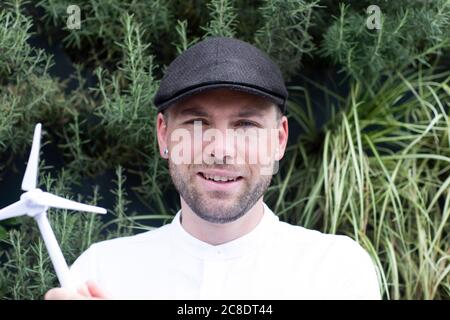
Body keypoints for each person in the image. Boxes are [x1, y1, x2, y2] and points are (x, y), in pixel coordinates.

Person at [45, 37, 381, 300]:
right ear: (164, 134)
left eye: (246, 125)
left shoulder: (335, 270)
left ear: (279, 140)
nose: (220, 150)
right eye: (196, 123)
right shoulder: (100, 272)